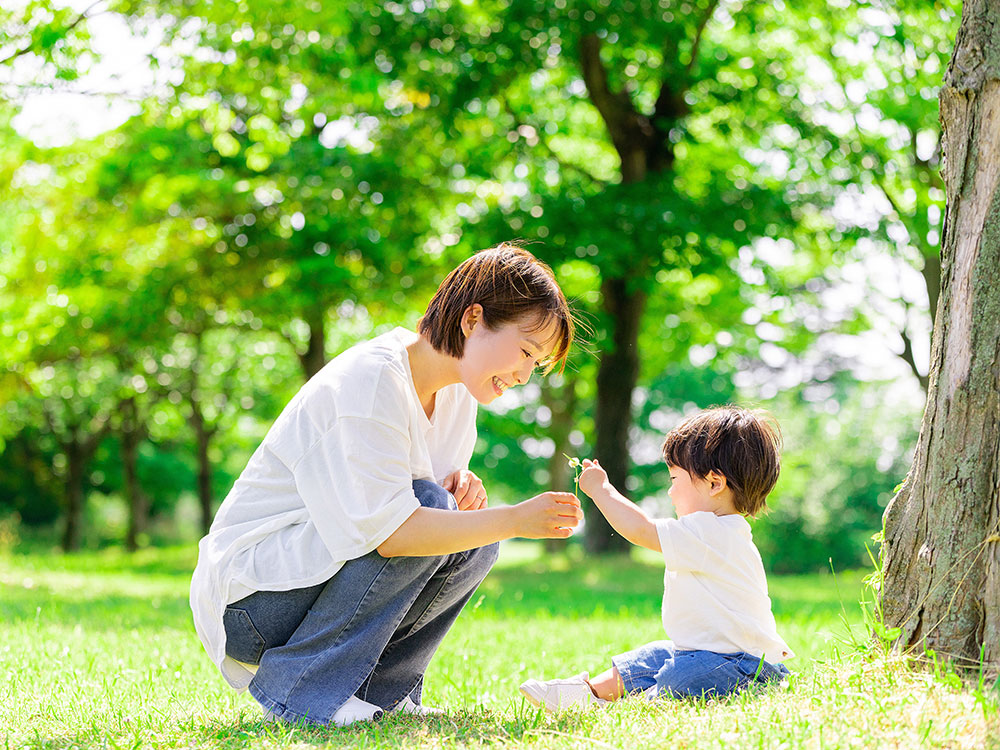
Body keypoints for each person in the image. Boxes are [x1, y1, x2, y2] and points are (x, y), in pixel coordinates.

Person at [190, 244, 583, 727]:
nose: (525, 375)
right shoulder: (372, 380)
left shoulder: (458, 396)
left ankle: (384, 692)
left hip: (314, 581)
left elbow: (432, 515)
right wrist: (511, 519)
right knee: (447, 514)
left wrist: (464, 501)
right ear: (473, 319)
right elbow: (394, 532)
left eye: (536, 363)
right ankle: (303, 689)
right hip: (253, 604)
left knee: (474, 540)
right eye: (525, 352)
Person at [519, 406, 793, 710]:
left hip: (745, 669)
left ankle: (639, 703)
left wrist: (601, 490)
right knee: (658, 655)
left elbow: (641, 529)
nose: (670, 491)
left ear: (715, 483)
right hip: (712, 656)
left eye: (675, 479)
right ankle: (587, 692)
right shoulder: (715, 532)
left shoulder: (711, 532)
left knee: (681, 674)